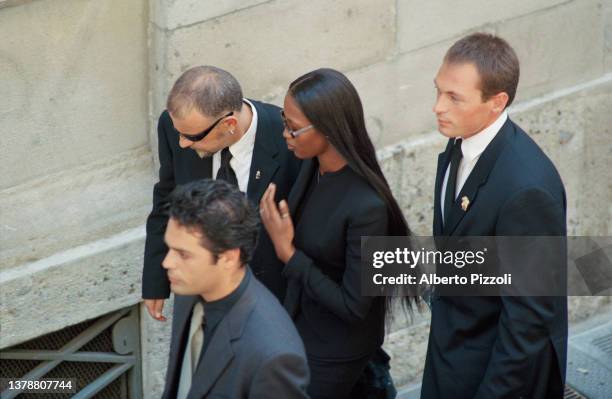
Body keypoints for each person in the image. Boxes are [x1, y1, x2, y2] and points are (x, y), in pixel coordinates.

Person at [422, 33, 568, 398]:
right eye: (438, 91)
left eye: (454, 97)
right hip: (453, 346)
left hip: (491, 372)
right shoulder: (461, 138)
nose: (439, 107)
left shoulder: (527, 191)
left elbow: (528, 321)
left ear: (497, 102)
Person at [260, 68, 418, 399]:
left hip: (333, 351)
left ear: (328, 129)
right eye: (284, 122)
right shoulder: (312, 164)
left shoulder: (367, 207)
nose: (285, 134)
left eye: (293, 128)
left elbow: (353, 306)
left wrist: (287, 253)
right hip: (299, 326)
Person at [143, 66, 301, 321]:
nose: (182, 143)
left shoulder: (289, 141)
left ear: (229, 124)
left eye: (191, 136)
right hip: (206, 301)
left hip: (273, 301)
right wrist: (155, 277)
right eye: (179, 134)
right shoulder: (177, 127)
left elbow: (375, 291)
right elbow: (166, 199)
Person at [160, 179, 309, 399]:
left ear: (229, 258)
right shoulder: (189, 290)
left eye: (183, 254)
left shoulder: (272, 356)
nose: (167, 262)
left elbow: (367, 298)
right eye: (169, 248)